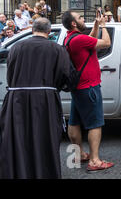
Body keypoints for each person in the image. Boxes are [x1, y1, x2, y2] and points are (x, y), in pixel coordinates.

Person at [0, 18, 72, 179]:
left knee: (19, 139)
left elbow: (10, 74)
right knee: (44, 139)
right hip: (45, 101)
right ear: (48, 31)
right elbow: (65, 75)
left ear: (33, 29)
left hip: (17, 100)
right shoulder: (57, 49)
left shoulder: (16, 47)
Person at [62, 9, 114, 172]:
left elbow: (90, 40)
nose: (83, 19)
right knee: (95, 123)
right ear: (73, 23)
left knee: (74, 121)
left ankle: (79, 154)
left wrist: (97, 25)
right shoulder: (78, 40)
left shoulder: (70, 39)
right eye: (80, 18)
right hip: (89, 87)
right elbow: (106, 43)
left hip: (78, 88)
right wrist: (104, 26)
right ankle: (95, 160)